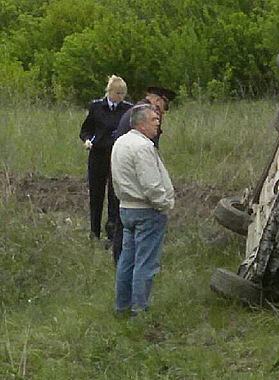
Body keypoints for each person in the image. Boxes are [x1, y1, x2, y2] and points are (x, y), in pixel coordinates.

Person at [111, 104, 175, 316]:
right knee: (145, 264)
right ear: (140, 123)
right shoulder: (142, 147)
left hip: (126, 209)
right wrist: (164, 204)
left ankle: (122, 307)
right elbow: (151, 184)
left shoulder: (120, 142)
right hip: (146, 210)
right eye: (153, 119)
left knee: (127, 261)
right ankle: (140, 311)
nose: (158, 123)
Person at [112, 86, 176, 265]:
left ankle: (120, 265)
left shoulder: (134, 112)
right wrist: (163, 204)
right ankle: (136, 287)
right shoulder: (146, 116)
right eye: (163, 106)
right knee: (144, 262)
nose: (160, 117)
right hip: (139, 193)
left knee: (124, 238)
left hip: (123, 179)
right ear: (158, 100)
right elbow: (149, 173)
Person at [80, 75, 133, 245]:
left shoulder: (127, 109)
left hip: (117, 155)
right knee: (96, 194)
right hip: (98, 154)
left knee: (114, 194)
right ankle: (94, 232)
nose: (120, 97)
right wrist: (87, 140)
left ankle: (112, 232)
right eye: (117, 93)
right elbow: (86, 129)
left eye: (123, 93)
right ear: (109, 92)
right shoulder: (96, 107)